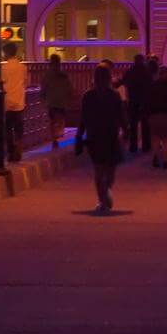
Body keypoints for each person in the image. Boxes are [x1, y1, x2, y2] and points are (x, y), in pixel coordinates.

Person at [74, 64, 125, 214]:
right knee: (110, 168)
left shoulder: (88, 95)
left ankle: (102, 199)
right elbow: (121, 115)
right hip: (111, 135)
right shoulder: (114, 95)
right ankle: (106, 192)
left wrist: (79, 134)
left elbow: (83, 118)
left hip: (94, 135)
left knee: (98, 168)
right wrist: (127, 131)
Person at [0, 41, 28, 162]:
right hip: (19, 102)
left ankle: (11, 153)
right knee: (19, 129)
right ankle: (19, 151)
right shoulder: (23, 68)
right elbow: (26, 83)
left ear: (6, 53)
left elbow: (0, 83)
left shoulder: (3, 68)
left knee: (8, 129)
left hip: (7, 102)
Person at [41, 54, 74, 147]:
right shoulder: (63, 75)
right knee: (60, 119)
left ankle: (54, 138)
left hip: (51, 100)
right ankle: (58, 133)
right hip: (62, 101)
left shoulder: (47, 75)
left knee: (52, 120)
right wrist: (69, 97)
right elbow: (69, 88)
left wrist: (42, 97)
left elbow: (44, 87)